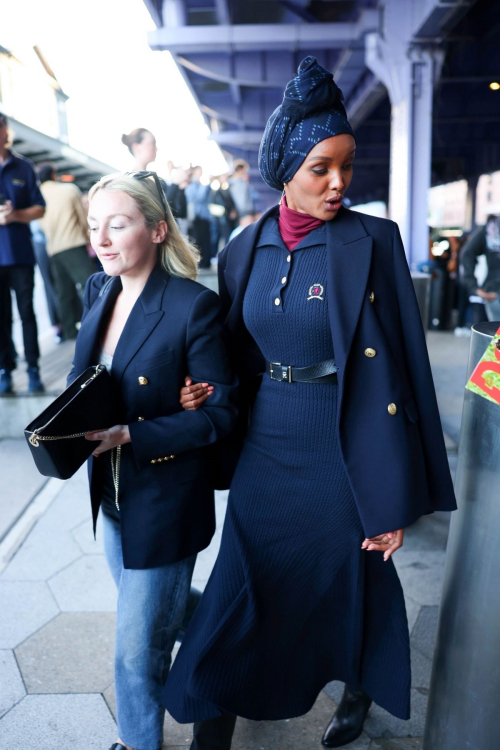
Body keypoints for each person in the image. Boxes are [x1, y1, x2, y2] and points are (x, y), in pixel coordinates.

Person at [163, 57, 457, 750]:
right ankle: (214, 731)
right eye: (322, 167)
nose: (338, 183)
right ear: (287, 170)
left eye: (346, 167)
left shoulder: (372, 241)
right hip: (268, 446)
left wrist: (397, 498)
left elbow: (406, 371)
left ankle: (356, 686)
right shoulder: (244, 248)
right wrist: (197, 391)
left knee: (352, 576)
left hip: (344, 446)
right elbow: (230, 354)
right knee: (241, 591)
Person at [68, 171, 237, 750]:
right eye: (95, 227)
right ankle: (240, 632)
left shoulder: (194, 307)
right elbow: (85, 379)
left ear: (158, 229)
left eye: (118, 224)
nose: (103, 240)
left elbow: (221, 416)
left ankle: (137, 744)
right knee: (155, 617)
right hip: (111, 498)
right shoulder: (98, 289)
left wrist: (131, 434)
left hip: (165, 502)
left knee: (135, 649)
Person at [0, 111, 45, 394]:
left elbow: (40, 208)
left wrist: (15, 215)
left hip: (21, 255)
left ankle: (33, 369)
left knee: (27, 313)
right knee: (1, 317)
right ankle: (6, 368)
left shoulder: (23, 167)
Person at [38, 164, 96, 340]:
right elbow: (82, 217)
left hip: (53, 250)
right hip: (73, 244)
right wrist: (88, 238)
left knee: (64, 293)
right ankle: (98, 322)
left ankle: (71, 331)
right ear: (54, 175)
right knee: (91, 283)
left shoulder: (37, 195)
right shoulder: (69, 189)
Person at [461, 215, 500, 322]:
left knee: (496, 335)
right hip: (495, 293)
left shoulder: (492, 226)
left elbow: (467, 253)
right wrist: (473, 286)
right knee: (497, 335)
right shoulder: (493, 226)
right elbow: (467, 254)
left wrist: (473, 286)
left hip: (494, 291)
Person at [186, 167, 212, 270]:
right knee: (198, 241)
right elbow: (199, 198)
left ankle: (206, 262)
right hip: (197, 218)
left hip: (205, 217)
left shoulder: (201, 186)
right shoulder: (191, 186)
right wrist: (206, 185)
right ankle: (198, 263)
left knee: (206, 241)